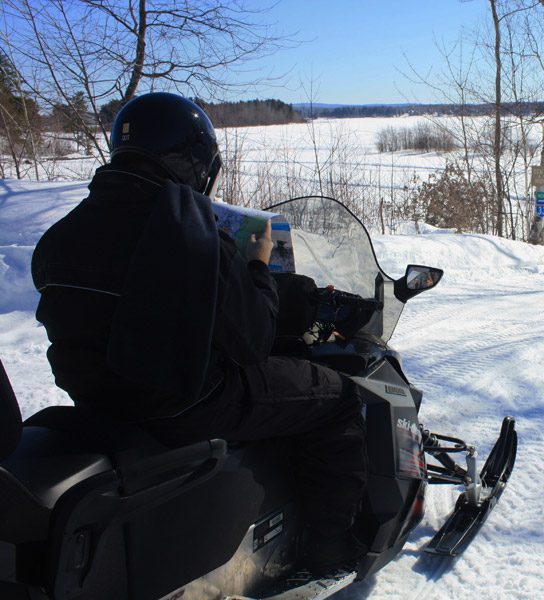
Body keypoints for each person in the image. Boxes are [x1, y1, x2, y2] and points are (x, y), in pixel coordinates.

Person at [31, 92, 367, 574]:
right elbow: (252, 342)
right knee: (338, 398)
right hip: (184, 405)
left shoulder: (60, 235)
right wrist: (256, 265)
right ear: (194, 164)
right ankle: (330, 546)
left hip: (103, 401)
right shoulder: (191, 234)